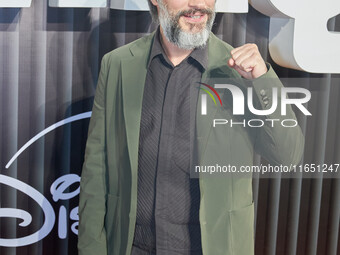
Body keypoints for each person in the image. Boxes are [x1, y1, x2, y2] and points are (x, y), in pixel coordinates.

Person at [78, 0, 304, 254]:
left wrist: (263, 81)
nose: (198, 4)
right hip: (132, 247)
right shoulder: (118, 64)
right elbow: (96, 172)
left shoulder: (240, 72)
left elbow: (288, 156)